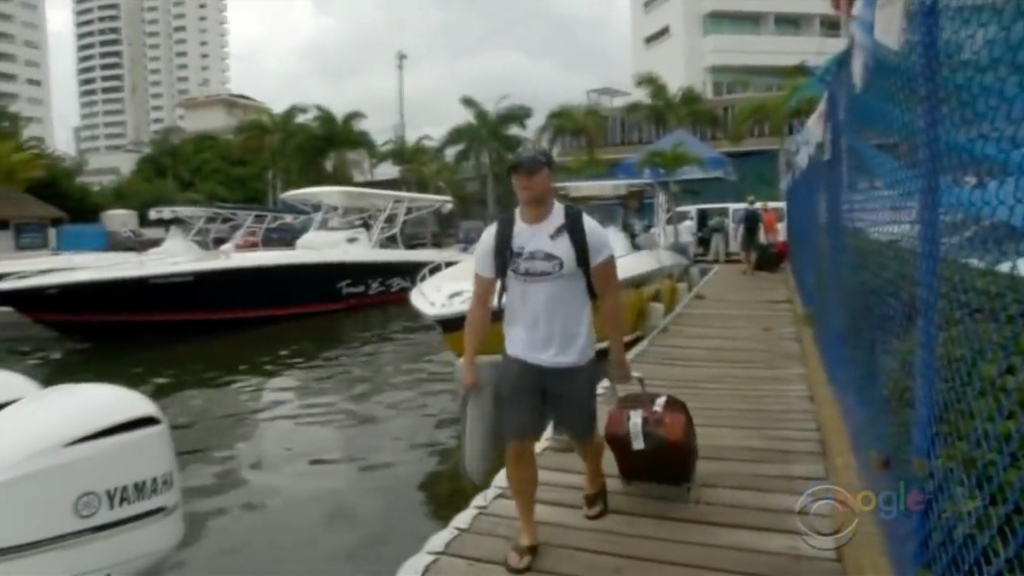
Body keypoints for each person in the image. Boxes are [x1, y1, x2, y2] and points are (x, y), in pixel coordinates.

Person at [461, 147, 631, 574]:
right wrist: (468, 358)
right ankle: (526, 529)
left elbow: (610, 295)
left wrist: (617, 353)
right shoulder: (497, 235)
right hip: (520, 360)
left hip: (574, 359)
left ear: (549, 176)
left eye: (533, 172)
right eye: (517, 173)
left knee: (583, 438)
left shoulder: (583, 230)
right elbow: (481, 302)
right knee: (517, 445)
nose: (524, 180)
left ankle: (594, 475)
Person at [737, 196, 763, 274]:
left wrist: (736, 232)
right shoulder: (758, 212)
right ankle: (752, 269)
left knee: (745, 250)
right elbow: (761, 222)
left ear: (747, 202)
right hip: (755, 233)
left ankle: (746, 268)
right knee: (754, 251)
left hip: (746, 232)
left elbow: (739, 222)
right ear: (755, 202)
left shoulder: (745, 212)